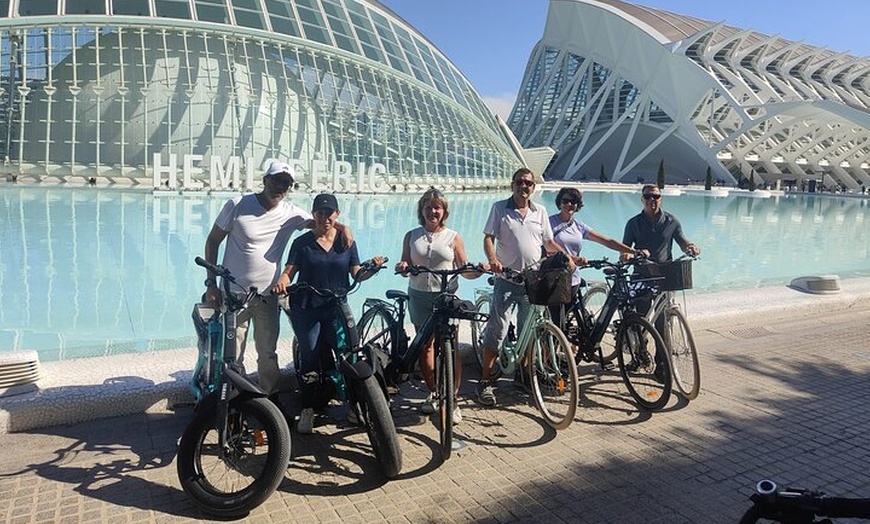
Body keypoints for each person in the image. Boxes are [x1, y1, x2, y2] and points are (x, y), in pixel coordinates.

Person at [203, 161, 350, 401]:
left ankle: (268, 403)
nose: (281, 186)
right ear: (265, 180)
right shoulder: (237, 204)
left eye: (287, 183)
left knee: (268, 353)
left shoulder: (290, 213)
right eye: (277, 180)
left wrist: (344, 228)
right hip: (234, 294)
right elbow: (212, 242)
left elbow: (322, 222)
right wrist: (211, 283)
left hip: (267, 296)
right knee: (232, 355)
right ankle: (233, 403)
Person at [274, 193, 384, 434]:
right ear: (314, 215)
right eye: (320, 213)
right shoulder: (302, 243)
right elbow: (290, 270)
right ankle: (308, 408)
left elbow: (356, 273)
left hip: (336, 308)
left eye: (329, 213)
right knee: (309, 357)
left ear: (337, 214)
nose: (325, 217)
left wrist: (371, 268)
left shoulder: (346, 242)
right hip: (307, 308)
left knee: (349, 355)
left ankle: (355, 404)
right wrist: (283, 279)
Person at [476, 167, 569, 407]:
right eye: (519, 182)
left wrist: (567, 258)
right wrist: (493, 260)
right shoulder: (500, 208)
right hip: (506, 279)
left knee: (529, 329)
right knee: (497, 330)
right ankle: (486, 381)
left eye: (528, 183)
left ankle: (523, 377)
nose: (524, 186)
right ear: (513, 185)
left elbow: (548, 242)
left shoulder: (540, 211)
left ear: (533, 187)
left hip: (532, 280)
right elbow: (489, 237)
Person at [395, 188, 482, 425]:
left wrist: (480, 270)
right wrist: (402, 266)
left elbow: (465, 269)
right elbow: (405, 263)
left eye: (437, 207)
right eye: (428, 207)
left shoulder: (453, 236)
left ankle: (452, 400)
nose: (433, 211)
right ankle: (433, 392)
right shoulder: (411, 235)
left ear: (444, 211)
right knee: (425, 348)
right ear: (421, 210)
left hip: (446, 298)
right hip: (419, 296)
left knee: (451, 347)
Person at [548, 186, 638, 326]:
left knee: (575, 324)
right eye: (565, 201)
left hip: (573, 279)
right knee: (557, 325)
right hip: (555, 280)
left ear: (578, 205)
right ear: (559, 203)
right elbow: (547, 247)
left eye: (573, 201)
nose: (569, 204)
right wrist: (572, 258)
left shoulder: (578, 226)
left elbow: (606, 241)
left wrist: (634, 251)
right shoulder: (550, 223)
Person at [621, 184, 701, 263]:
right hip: (641, 271)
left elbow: (683, 243)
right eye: (647, 196)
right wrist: (626, 255)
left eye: (656, 196)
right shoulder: (632, 223)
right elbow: (624, 248)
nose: (651, 199)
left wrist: (691, 247)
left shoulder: (672, 221)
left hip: (666, 271)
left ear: (660, 199)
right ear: (642, 199)